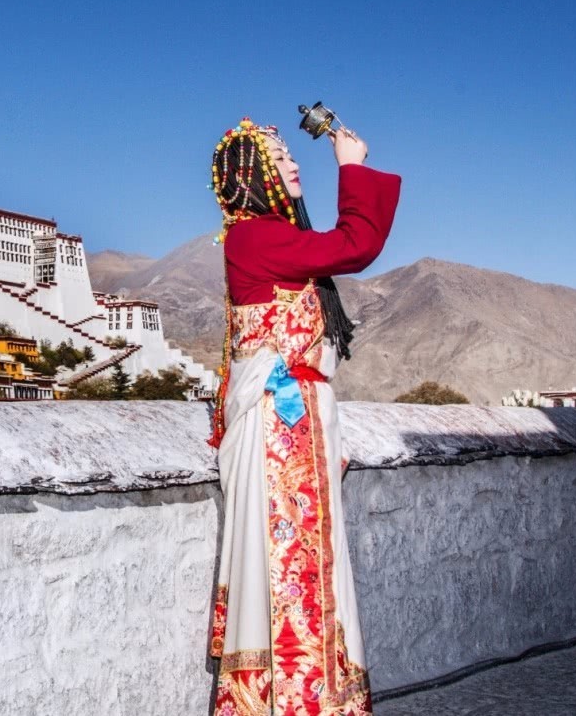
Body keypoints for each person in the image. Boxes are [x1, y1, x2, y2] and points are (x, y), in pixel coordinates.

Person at [207, 117, 401, 716]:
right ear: (251, 178)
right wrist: (352, 167)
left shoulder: (265, 238)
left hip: (297, 430)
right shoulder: (255, 238)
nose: (294, 166)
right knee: (290, 580)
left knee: (310, 577)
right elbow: (355, 245)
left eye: (292, 156)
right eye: (280, 158)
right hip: (279, 438)